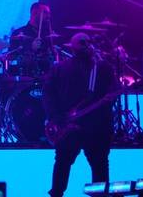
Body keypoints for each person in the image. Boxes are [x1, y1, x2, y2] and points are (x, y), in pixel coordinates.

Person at [43, 32, 118, 197]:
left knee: (91, 164)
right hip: (79, 125)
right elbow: (48, 94)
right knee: (70, 162)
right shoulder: (60, 68)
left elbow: (112, 93)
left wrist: (55, 117)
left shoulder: (103, 68)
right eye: (83, 42)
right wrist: (56, 118)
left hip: (92, 126)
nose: (87, 45)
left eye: (88, 42)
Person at [8, 2, 56, 77]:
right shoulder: (18, 33)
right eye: (45, 13)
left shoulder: (47, 34)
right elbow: (11, 56)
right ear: (34, 13)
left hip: (46, 76)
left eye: (49, 13)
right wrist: (31, 48)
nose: (48, 16)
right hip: (26, 76)